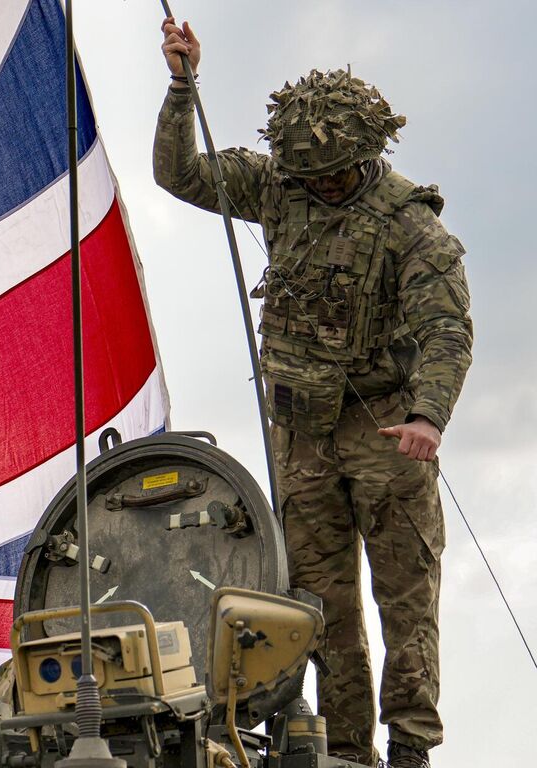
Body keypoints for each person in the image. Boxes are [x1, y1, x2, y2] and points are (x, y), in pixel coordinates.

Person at [154, 18, 473, 768]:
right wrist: (181, 85)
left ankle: (411, 749)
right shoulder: (278, 185)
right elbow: (182, 174)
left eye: (334, 174)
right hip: (303, 439)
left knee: (406, 600)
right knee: (322, 609)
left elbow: (446, 331)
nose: (321, 186)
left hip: (388, 432)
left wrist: (428, 416)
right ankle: (346, 752)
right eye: (309, 175)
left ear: (366, 155)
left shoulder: (409, 226)